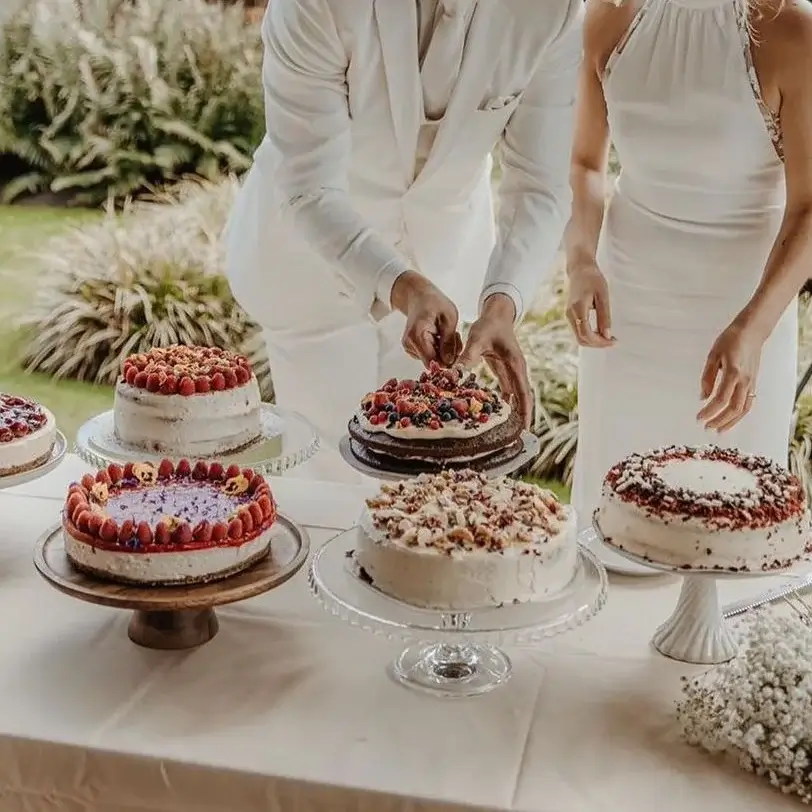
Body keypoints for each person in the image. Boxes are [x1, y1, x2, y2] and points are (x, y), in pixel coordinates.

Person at [226, 0, 582, 481]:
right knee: (324, 474)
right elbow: (309, 186)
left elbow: (540, 186)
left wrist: (503, 303)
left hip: (448, 261)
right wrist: (403, 285)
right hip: (313, 264)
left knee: (428, 492)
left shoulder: (553, 10)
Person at [566, 0, 812, 541]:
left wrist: (754, 328)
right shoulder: (608, 16)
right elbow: (586, 163)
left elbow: (809, 207)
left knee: (732, 527)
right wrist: (581, 260)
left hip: (746, 313)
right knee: (616, 530)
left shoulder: (791, 30)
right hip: (626, 312)